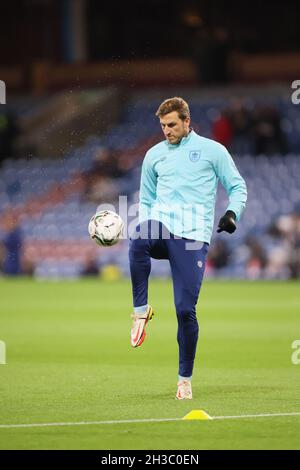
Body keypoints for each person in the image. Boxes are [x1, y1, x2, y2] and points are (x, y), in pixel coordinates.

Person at [128, 97, 247, 400]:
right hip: (162, 227)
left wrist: (233, 213)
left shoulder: (213, 151)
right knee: (138, 237)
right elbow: (146, 198)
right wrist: (147, 221)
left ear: (186, 121)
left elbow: (237, 187)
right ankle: (141, 311)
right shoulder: (154, 155)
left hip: (193, 238)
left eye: (171, 125)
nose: (166, 130)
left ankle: (184, 379)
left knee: (185, 311)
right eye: (162, 125)